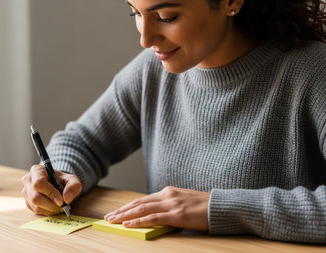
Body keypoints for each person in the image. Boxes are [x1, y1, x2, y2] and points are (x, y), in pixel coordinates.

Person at [21, 0, 326, 243]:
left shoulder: (314, 72)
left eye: (166, 16)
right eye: (135, 13)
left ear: (231, 1)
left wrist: (216, 208)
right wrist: (58, 176)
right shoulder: (152, 70)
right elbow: (83, 140)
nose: (145, 39)